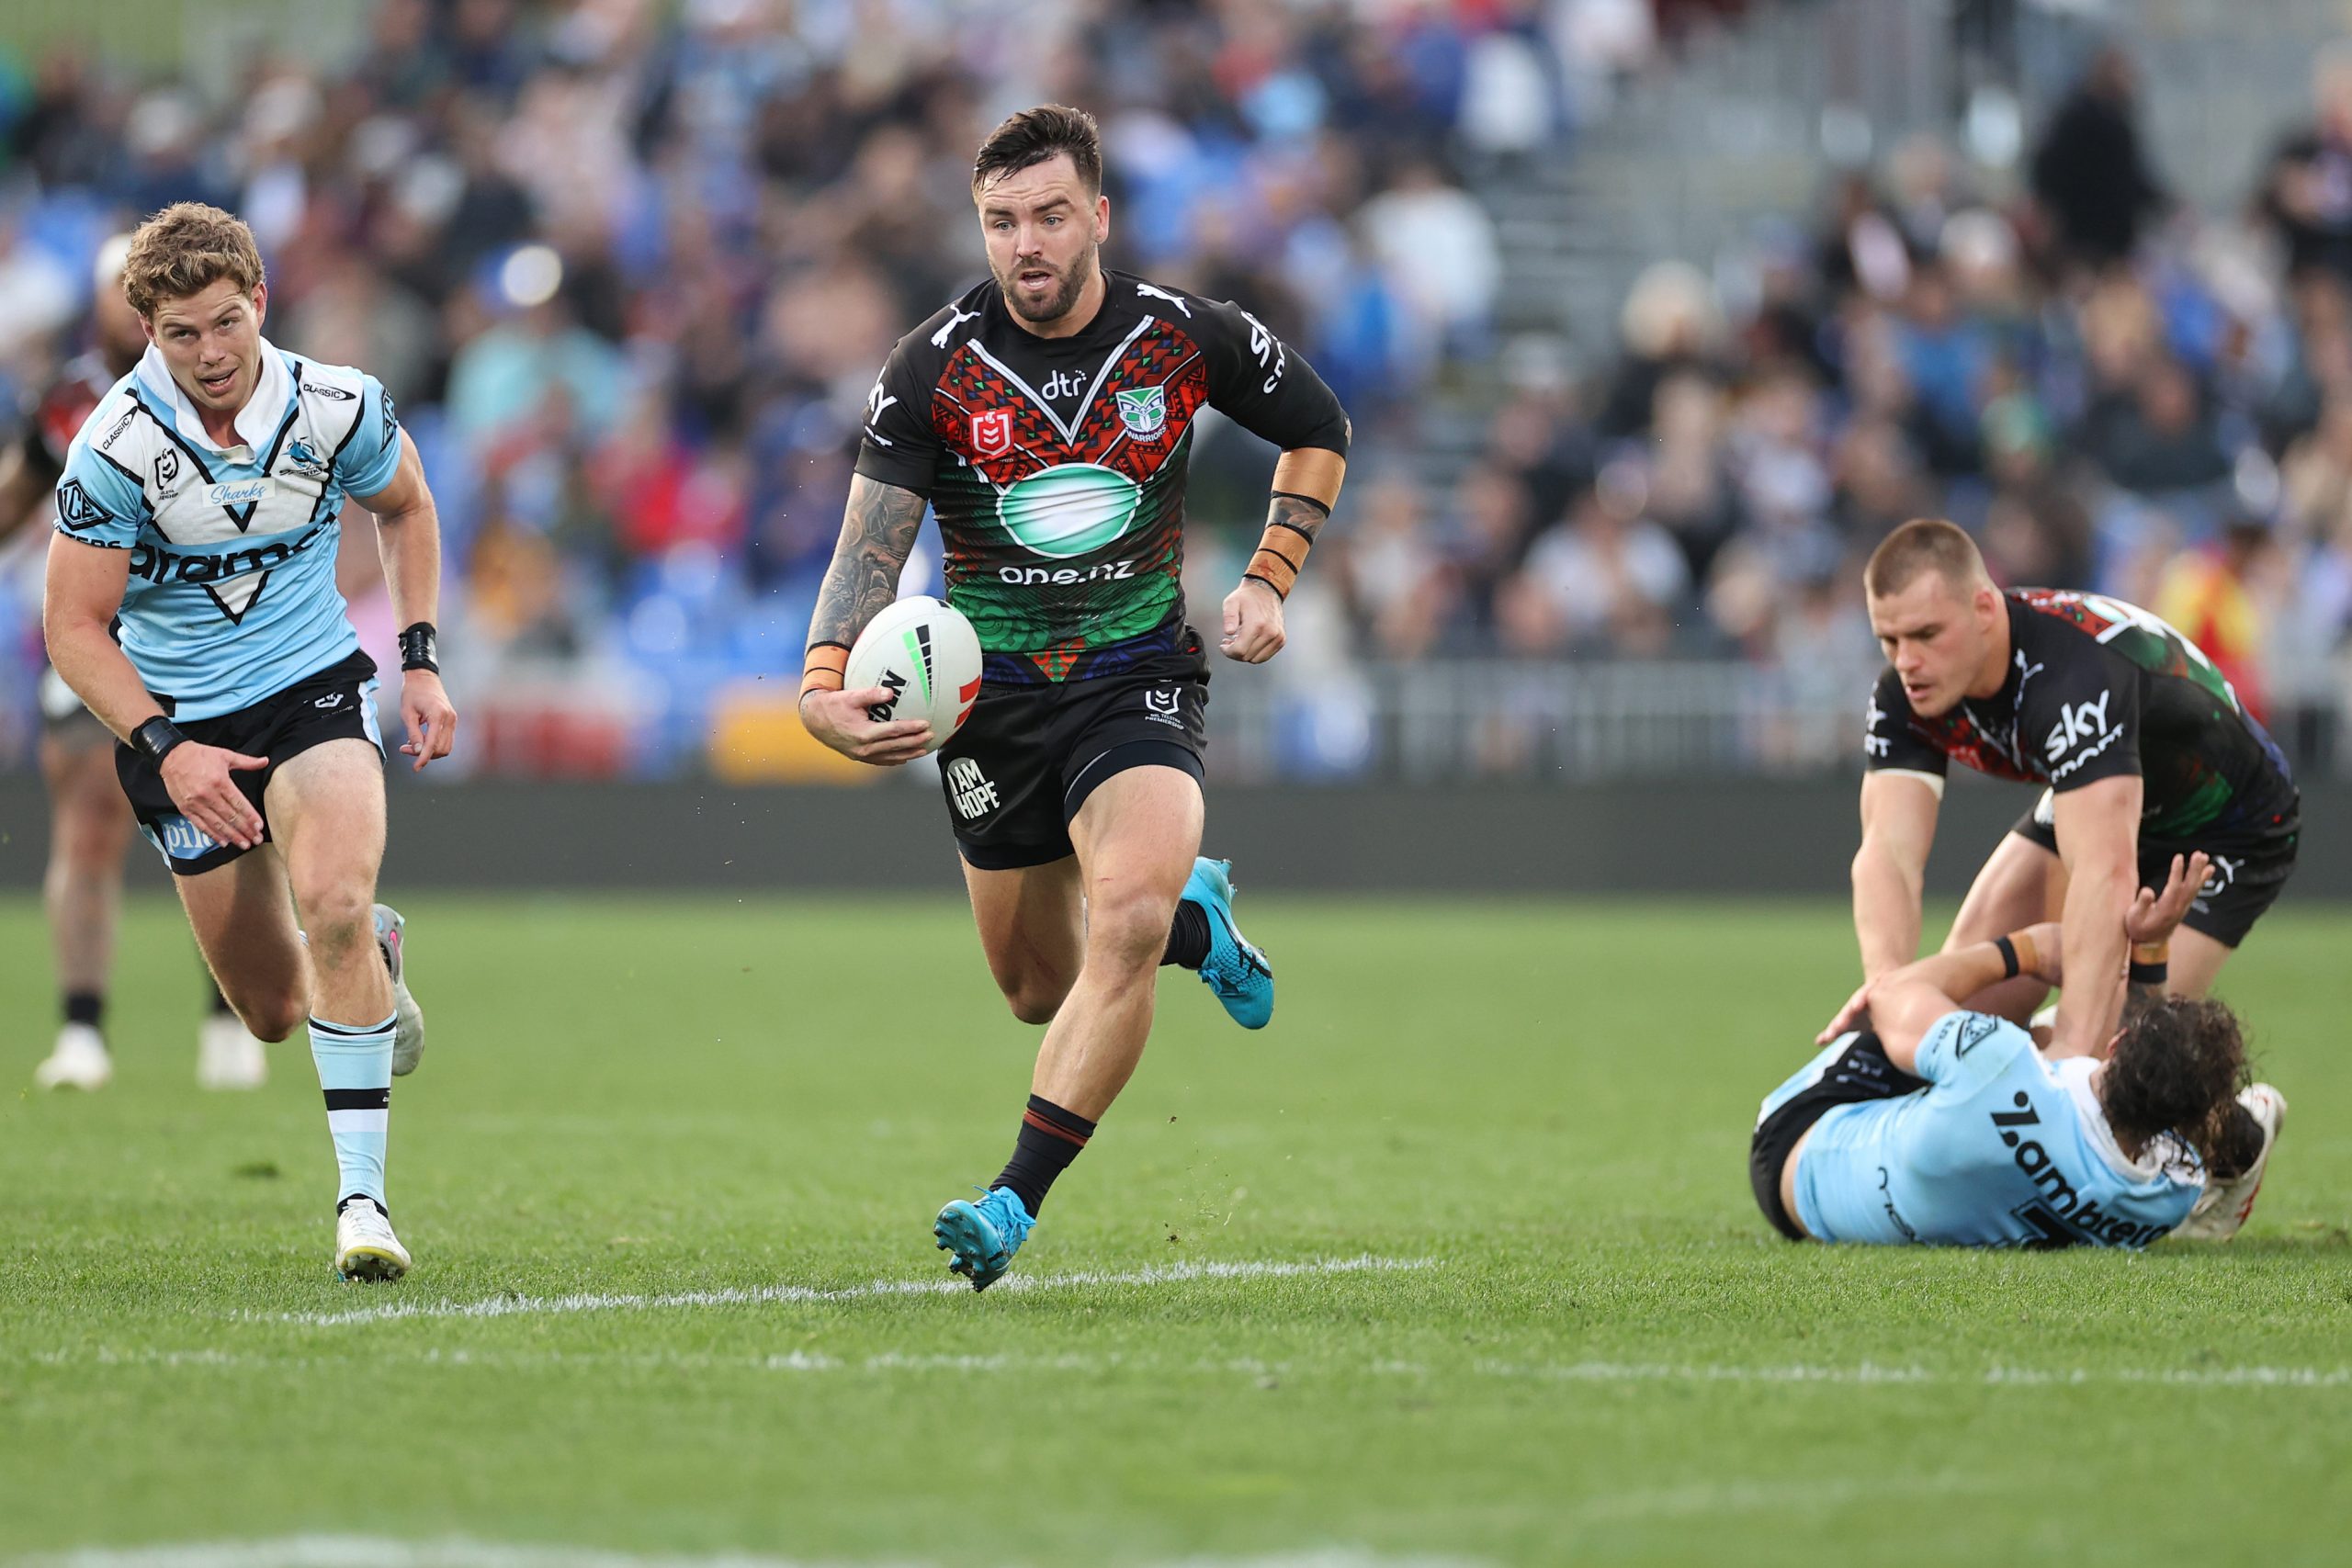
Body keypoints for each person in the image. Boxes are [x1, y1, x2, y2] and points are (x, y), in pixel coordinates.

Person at [797, 106, 1351, 1291]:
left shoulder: (1181, 335)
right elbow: (867, 552)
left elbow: (1319, 426)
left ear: (1097, 215)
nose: (1026, 243)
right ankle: (1200, 928)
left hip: (1132, 681)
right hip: (986, 707)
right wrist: (819, 686)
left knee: (1125, 921)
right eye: (1001, 222)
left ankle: (1011, 1203)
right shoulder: (931, 365)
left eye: (1049, 216)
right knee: (1036, 988)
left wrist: (1270, 574)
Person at [41, 203, 455, 1280]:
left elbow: (407, 505)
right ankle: (369, 955)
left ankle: (362, 1204)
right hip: (179, 724)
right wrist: (166, 747)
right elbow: (73, 627)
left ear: (261, 302)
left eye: (227, 321)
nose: (212, 353)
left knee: (332, 902)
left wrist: (418, 659)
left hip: (312, 689)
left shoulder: (334, 404)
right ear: (146, 331)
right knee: (273, 1011)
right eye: (183, 333)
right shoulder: (113, 447)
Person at [1832, 518, 2297, 1239]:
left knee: (2125, 1067)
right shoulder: (1905, 693)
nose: (1907, 661)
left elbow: (2103, 873)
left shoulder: (2072, 676)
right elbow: (1888, 851)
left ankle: (2238, 1138)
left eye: (1925, 634)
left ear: (1984, 608)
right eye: (1889, 640)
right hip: (2102, 796)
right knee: (1956, 1014)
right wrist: (1887, 986)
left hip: (2226, 826)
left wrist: (2076, 1054)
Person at [1, 233, 270, 1092]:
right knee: (87, 820)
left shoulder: (244, 384)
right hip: (98, 634)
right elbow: (17, 498)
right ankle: (82, 1027)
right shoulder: (71, 402)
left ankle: (230, 1012)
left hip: (205, 636)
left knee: (232, 817)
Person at [1758, 852, 2287, 1247]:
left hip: (1796, 1145)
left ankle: (2055, 807)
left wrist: (2026, 951)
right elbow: (2114, 1087)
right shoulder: (2168, 1198)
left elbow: (1890, 995)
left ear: (2120, 1043)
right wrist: (2149, 950)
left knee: (2057, 982)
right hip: (1882, 1199)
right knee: (2059, 1045)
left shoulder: (2000, 1064)